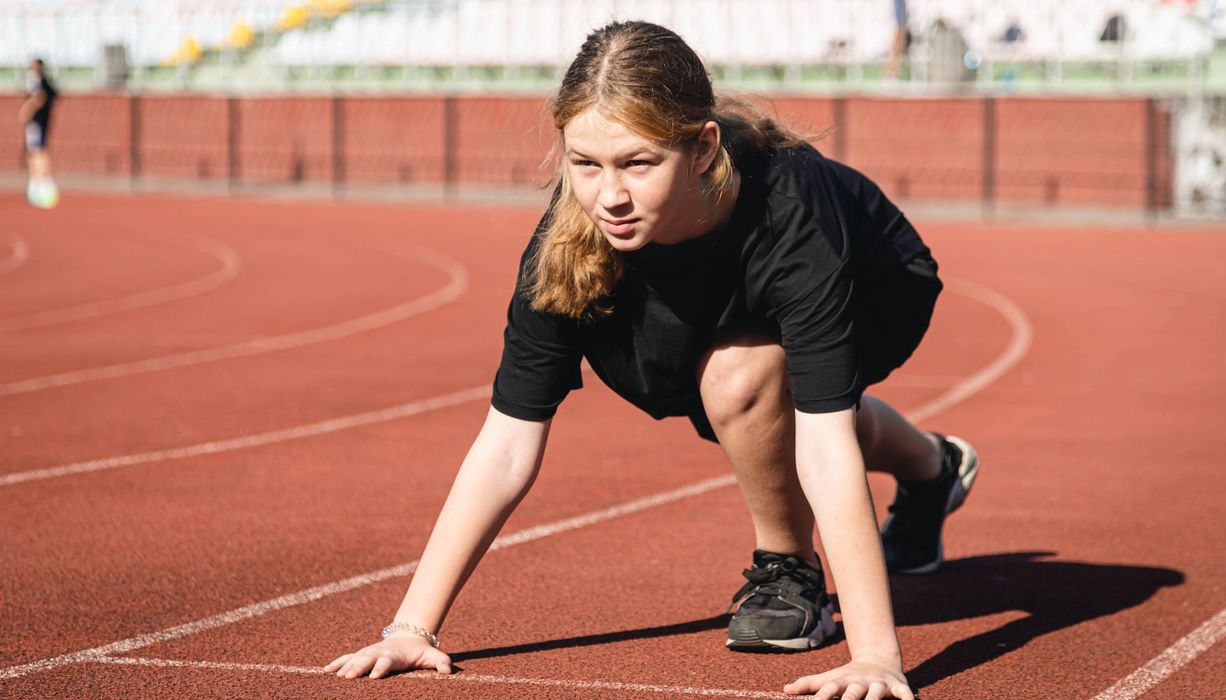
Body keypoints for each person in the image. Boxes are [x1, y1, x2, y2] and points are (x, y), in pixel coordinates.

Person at [325, 20, 979, 699]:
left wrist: (875, 653)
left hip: (877, 283)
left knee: (754, 386)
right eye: (585, 164)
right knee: (769, 398)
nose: (609, 195)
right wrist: (412, 629)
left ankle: (789, 569)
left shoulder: (793, 214)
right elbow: (508, 443)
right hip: (689, 305)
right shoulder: (572, 239)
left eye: (638, 164)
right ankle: (933, 469)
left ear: (701, 148)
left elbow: (822, 443)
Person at [18, 58, 59, 209]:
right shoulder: (39, 82)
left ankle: (46, 185)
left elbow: (40, 97)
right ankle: (35, 184)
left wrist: (27, 109)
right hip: (37, 123)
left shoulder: (41, 83)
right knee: (33, 152)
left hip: (38, 122)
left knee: (39, 151)